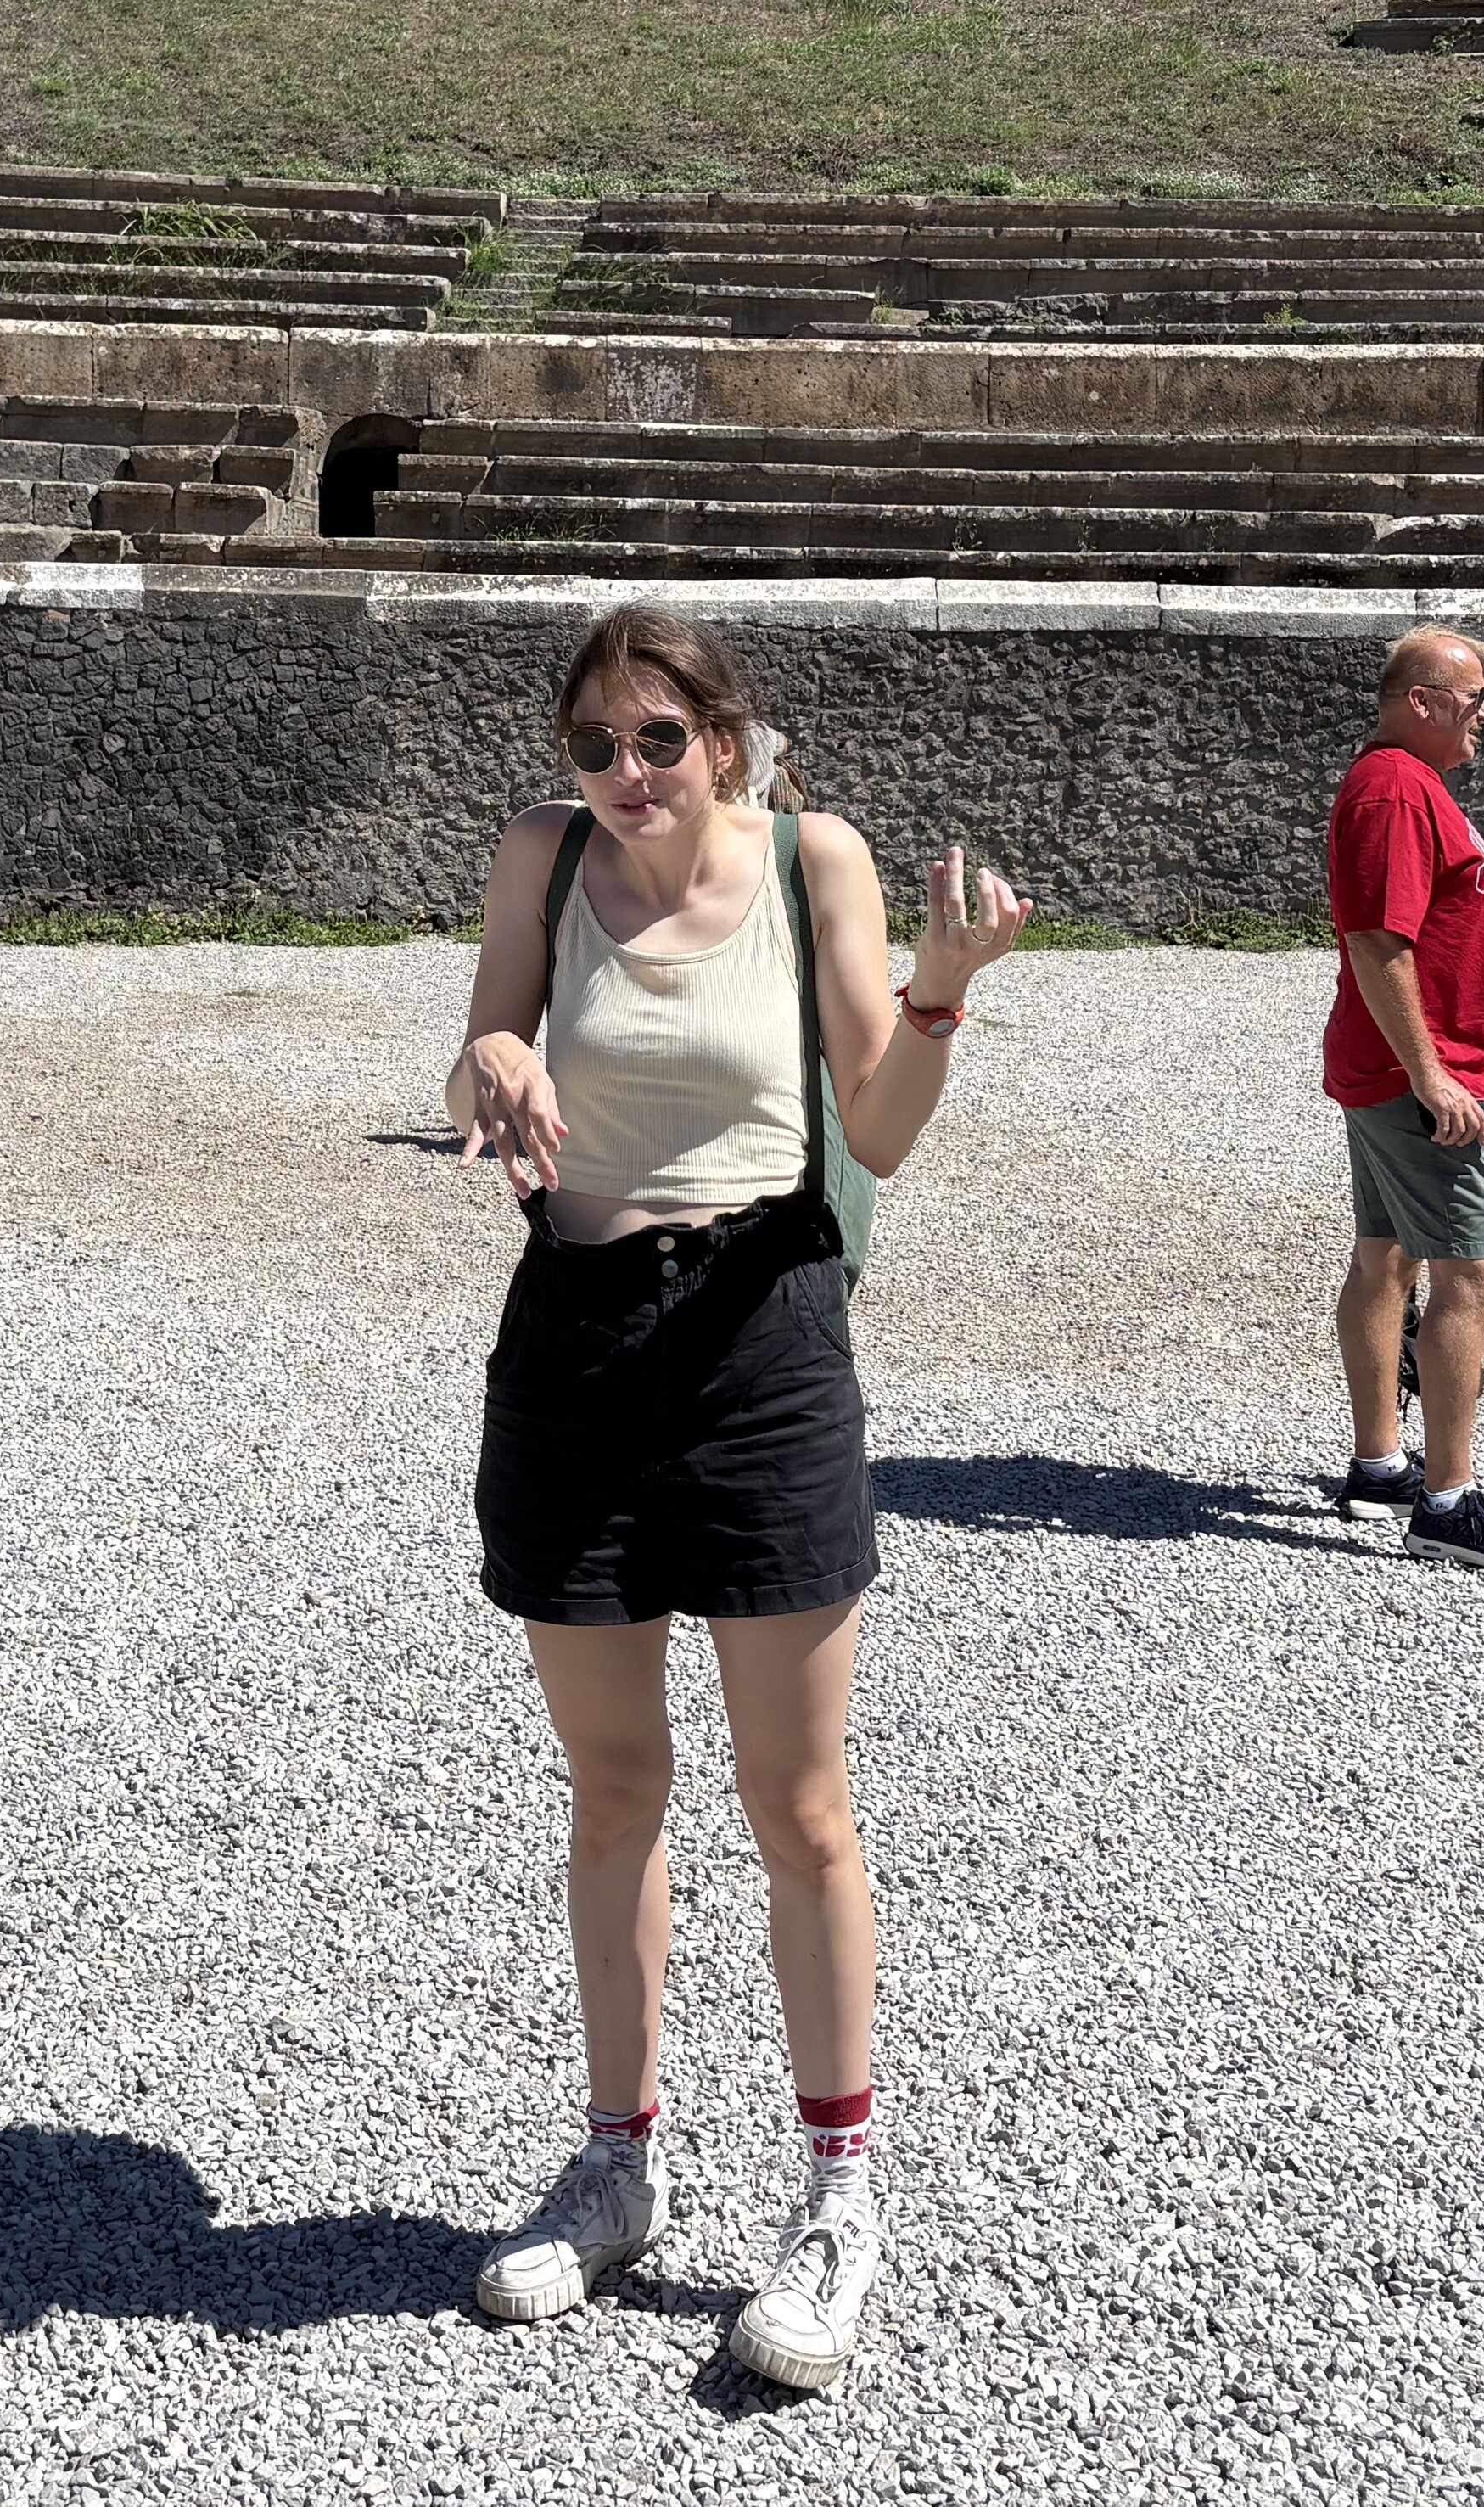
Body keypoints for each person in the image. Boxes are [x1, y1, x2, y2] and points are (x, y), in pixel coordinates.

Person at [444, 602, 1029, 2395]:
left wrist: (939, 991)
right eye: (595, 748)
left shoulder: (810, 860)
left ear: (725, 734)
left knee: (801, 1806)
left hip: (761, 1338)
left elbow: (884, 1114)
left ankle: (843, 2195)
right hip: (575, 1340)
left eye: (657, 743)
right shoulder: (543, 860)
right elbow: (483, 1041)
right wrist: (497, 1061)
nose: (624, 777)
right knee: (615, 1786)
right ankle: (620, 2161)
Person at [1324, 625, 1484, 1574]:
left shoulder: (1409, 786)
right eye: (1473, 701)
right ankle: (1449, 1504)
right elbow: (1378, 942)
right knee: (1472, 1276)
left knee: (1387, 1254)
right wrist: (1431, 1074)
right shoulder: (1391, 788)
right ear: (1421, 701)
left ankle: (1381, 1467)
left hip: (1399, 1070)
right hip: (1417, 1080)